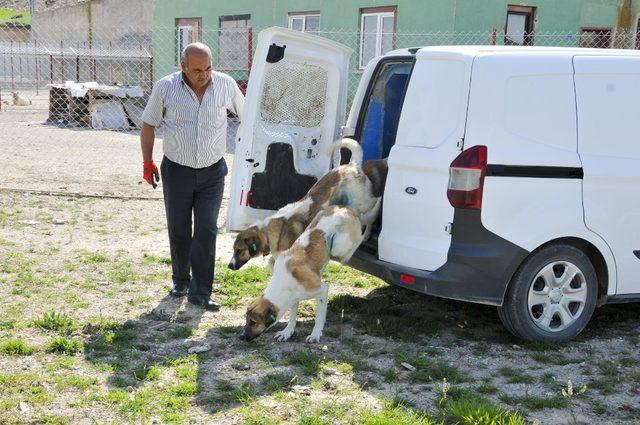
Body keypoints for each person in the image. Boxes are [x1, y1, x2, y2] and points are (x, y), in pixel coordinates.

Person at [140, 42, 244, 311]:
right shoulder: (166, 87)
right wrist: (147, 161)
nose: (204, 74)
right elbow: (149, 124)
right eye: (197, 69)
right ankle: (180, 280)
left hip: (212, 171)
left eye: (208, 68)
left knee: (207, 229)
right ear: (182, 66)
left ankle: (202, 291)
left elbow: (248, 115)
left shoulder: (225, 84)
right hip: (177, 170)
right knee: (179, 227)